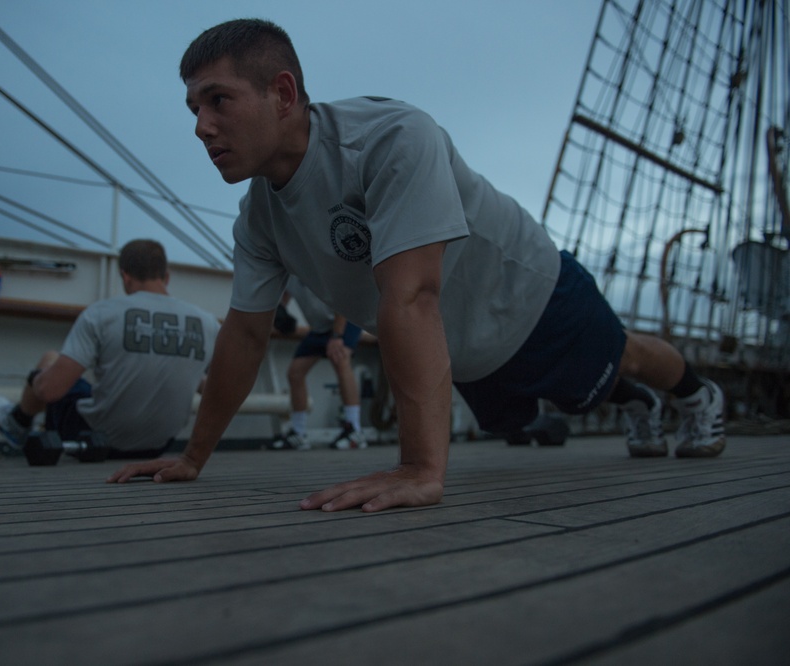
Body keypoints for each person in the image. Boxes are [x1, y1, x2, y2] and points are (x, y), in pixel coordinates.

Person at [107, 19, 726, 511]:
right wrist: (193, 457)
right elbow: (245, 333)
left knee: (622, 357)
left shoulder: (390, 138)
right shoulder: (257, 218)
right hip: (460, 352)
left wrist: (420, 470)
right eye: (193, 109)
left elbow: (409, 298)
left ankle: (698, 398)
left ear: (284, 93)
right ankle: (640, 406)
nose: (201, 126)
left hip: (529, 297)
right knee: (576, 398)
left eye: (218, 101)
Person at [0, 239, 219, 458]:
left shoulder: (101, 314)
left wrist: (36, 378)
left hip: (95, 440)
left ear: (125, 276)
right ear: (166, 277)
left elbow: (51, 391)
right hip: (158, 445)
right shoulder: (207, 323)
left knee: (51, 359)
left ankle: (17, 423)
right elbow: (217, 389)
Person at [270, 275, 367, 451]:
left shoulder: (317, 265)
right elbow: (284, 295)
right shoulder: (288, 268)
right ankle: (298, 433)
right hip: (320, 328)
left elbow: (342, 299)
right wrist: (280, 311)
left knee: (340, 360)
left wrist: (337, 336)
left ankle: (355, 431)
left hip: (345, 319)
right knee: (295, 373)